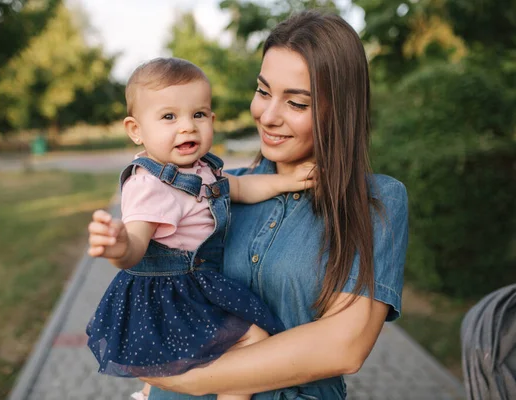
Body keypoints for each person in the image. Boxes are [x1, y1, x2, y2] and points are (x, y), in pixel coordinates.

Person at [89, 9, 408, 399]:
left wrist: (175, 376)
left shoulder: (376, 201)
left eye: (297, 103)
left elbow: (343, 347)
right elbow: (163, 294)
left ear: (339, 111)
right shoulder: (217, 187)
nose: (268, 116)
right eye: (263, 91)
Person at [86, 57, 316, 400]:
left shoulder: (203, 170)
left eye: (198, 114)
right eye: (168, 117)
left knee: (196, 357)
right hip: (170, 292)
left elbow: (240, 189)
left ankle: (149, 392)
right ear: (136, 130)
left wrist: (285, 181)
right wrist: (119, 248)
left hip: (194, 284)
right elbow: (136, 244)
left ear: (211, 119)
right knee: (253, 340)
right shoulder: (150, 184)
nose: (187, 127)